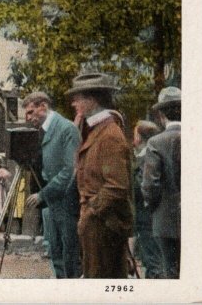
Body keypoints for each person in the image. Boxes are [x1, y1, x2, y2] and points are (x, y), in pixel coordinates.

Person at [68, 72, 134, 279]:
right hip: (99, 224)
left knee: (101, 284)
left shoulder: (109, 135)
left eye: (78, 98)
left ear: (93, 99)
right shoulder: (98, 131)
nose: (73, 103)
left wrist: (91, 212)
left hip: (103, 224)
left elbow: (116, 186)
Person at [22, 91, 81, 278]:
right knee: (55, 251)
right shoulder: (42, 132)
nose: (28, 117)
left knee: (69, 253)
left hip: (66, 201)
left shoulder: (66, 129)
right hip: (52, 203)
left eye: (31, 112)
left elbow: (69, 170)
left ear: (43, 107)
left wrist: (43, 195)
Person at [142, 86, 181, 278]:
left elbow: (150, 185)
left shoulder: (156, 142)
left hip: (165, 218)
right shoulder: (201, 137)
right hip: (198, 219)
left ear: (161, 114)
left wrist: (151, 206)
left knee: (171, 272)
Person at [132, 120, 164, 278]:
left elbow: (142, 187)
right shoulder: (149, 156)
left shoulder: (145, 159)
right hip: (147, 218)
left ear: (138, 137)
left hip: (147, 218)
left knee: (153, 263)